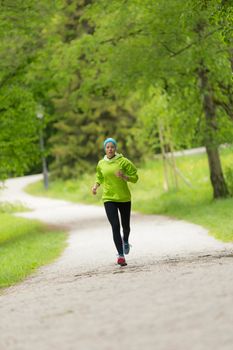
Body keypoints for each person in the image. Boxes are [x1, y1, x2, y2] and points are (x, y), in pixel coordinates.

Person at [92, 137, 138, 266]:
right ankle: (121, 255)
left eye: (112, 146)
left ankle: (126, 241)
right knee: (115, 226)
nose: (110, 149)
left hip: (124, 198)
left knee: (126, 227)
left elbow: (135, 177)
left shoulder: (123, 162)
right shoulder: (101, 163)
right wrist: (95, 186)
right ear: (105, 149)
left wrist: (124, 176)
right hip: (108, 198)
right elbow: (99, 176)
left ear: (115, 148)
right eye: (107, 147)